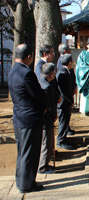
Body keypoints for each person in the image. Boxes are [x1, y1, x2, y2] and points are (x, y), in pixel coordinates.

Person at [8, 44, 47, 193]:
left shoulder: (13, 71)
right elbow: (38, 94)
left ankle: (21, 180)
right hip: (30, 118)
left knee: (22, 152)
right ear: (29, 56)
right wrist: (45, 104)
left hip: (19, 116)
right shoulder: (26, 73)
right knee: (29, 154)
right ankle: (27, 184)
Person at [38, 63, 57, 174]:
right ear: (51, 74)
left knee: (45, 142)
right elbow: (50, 105)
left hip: (41, 117)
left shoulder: (39, 81)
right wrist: (54, 115)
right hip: (47, 118)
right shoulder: (48, 87)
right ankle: (42, 167)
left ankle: (44, 164)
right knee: (47, 142)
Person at [57, 43, 76, 135]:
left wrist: (74, 86)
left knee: (67, 115)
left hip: (69, 92)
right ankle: (62, 138)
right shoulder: (61, 65)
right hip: (64, 97)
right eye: (69, 50)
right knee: (64, 117)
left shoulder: (67, 66)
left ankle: (67, 129)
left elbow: (72, 75)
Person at [56, 54, 75, 150]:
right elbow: (64, 91)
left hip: (65, 101)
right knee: (63, 121)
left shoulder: (64, 71)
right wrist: (70, 100)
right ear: (70, 62)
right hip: (63, 102)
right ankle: (61, 141)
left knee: (65, 121)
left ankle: (64, 138)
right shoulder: (62, 73)